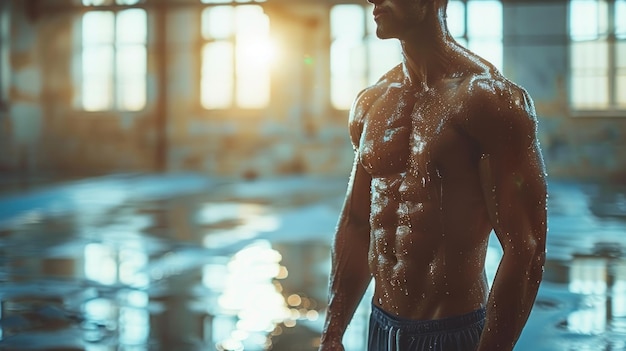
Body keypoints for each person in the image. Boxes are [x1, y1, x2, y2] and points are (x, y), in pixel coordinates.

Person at [318, 0, 547, 350]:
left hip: (453, 333)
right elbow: (356, 222)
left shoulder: (489, 99)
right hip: (380, 328)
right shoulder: (372, 102)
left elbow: (525, 249)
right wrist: (332, 333)